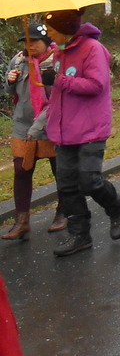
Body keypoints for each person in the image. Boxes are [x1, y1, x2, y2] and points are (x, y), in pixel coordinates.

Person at [42, 9, 120, 257]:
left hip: (91, 128)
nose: (47, 33)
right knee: (67, 185)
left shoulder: (92, 49)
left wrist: (59, 80)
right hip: (63, 129)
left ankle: (116, 209)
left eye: (50, 28)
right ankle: (80, 235)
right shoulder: (58, 51)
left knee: (89, 180)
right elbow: (57, 87)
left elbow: (96, 84)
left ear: (64, 27)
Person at [3, 23, 63, 240]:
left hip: (52, 125)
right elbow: (10, 92)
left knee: (60, 170)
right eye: (26, 42)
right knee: (21, 170)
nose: (30, 47)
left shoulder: (57, 60)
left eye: (34, 42)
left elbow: (58, 98)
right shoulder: (18, 59)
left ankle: (63, 212)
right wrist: (9, 81)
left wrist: (39, 127)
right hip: (22, 124)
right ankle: (22, 222)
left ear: (46, 42)